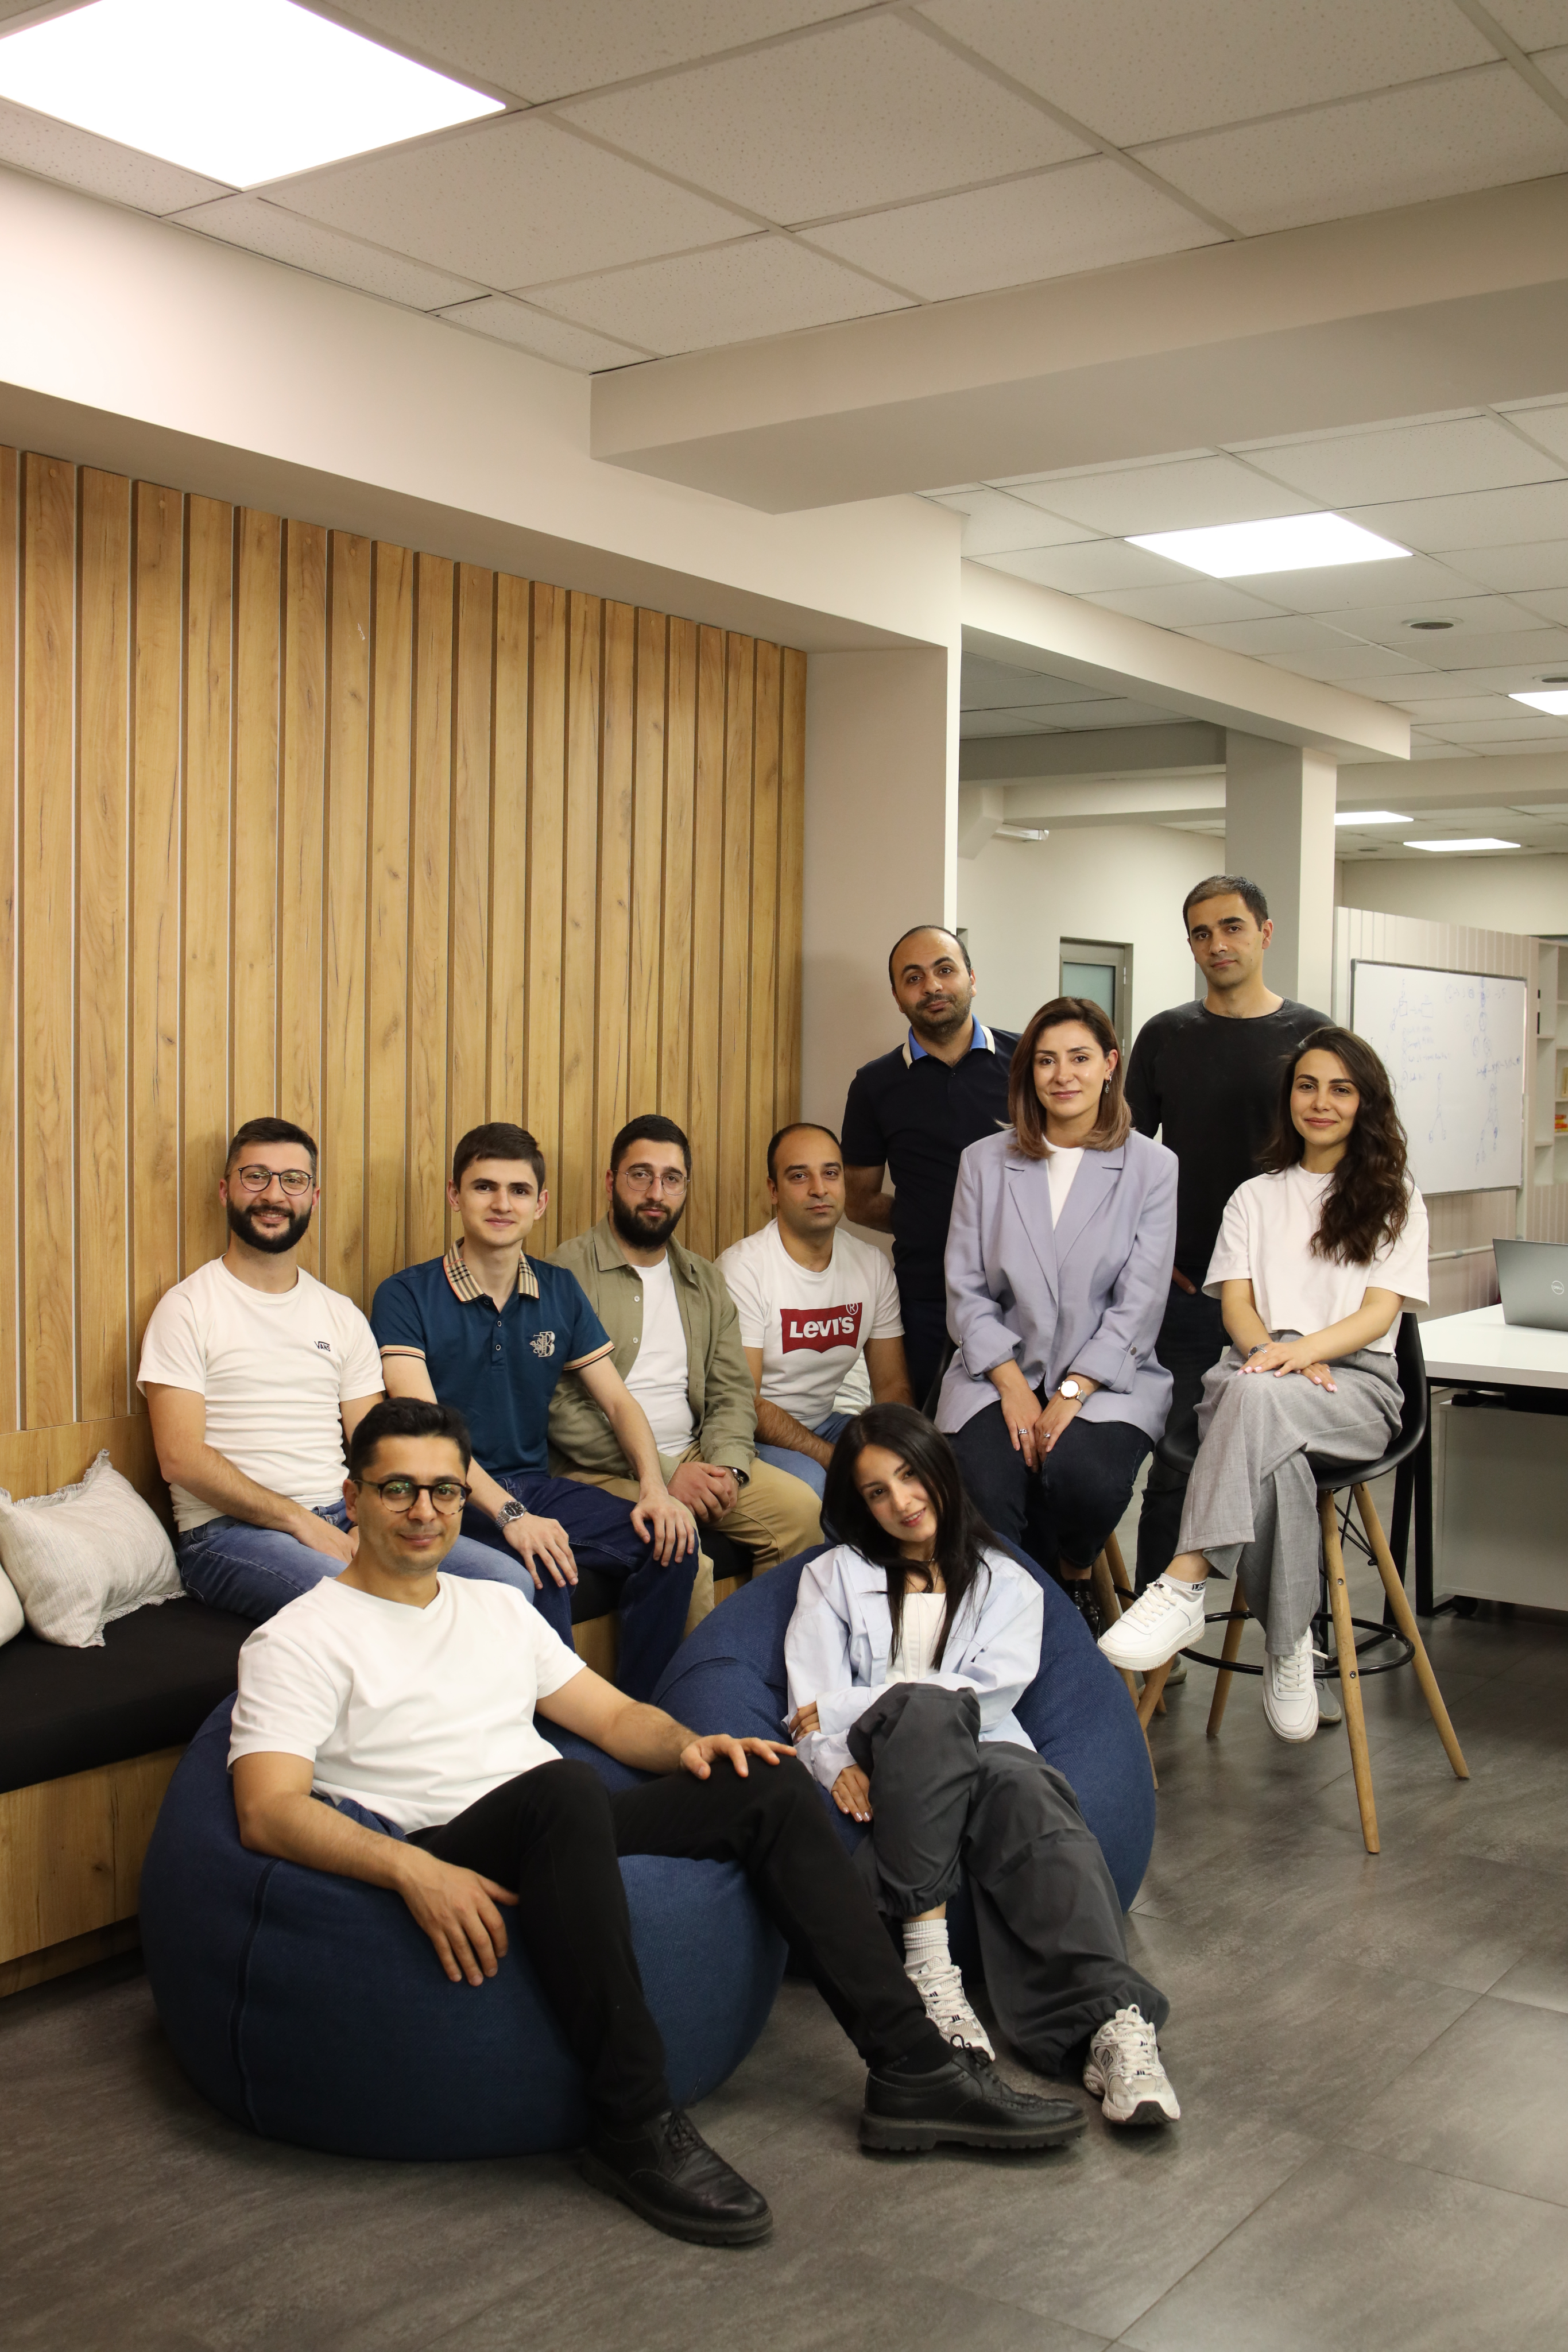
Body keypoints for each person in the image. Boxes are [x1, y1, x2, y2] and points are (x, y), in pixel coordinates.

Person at [229, 1397, 1087, 2253]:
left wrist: (693, 1747)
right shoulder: (300, 1637)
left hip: (559, 1829)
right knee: (563, 1788)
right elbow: (267, 1811)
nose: (426, 1513)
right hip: (447, 1845)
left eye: (446, 1492)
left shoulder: (489, 1606)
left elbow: (612, 1720)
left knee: (768, 1779)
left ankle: (913, 2067)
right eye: (399, 1491)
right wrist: (412, 1872)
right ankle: (632, 2122)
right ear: (352, 1497)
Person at [785, 1405, 1180, 2129]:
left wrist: (846, 1706)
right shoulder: (832, 1576)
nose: (901, 1501)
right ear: (858, 1503)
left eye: (909, 1476)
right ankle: (931, 1971)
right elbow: (805, 1704)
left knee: (1032, 1790)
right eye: (877, 1491)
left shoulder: (1008, 1580)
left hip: (987, 1752)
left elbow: (988, 1689)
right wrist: (831, 1755)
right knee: (931, 1712)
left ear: (938, 1470)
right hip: (883, 1761)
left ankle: (1114, 2025)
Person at [1101, 1028, 1429, 1743]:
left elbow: (1379, 1315)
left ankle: (1186, 1579)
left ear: (1364, 1103)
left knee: (1253, 1405)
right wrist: (1278, 1354)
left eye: (1340, 1088)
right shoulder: (1254, 1196)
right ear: (1289, 1099)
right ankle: (1289, 1651)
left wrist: (1302, 1352)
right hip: (1256, 1367)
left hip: (1355, 1389)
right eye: (1307, 1085)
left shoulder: (1394, 1198)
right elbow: (1237, 1307)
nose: (1321, 1101)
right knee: (1268, 1440)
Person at [370, 1124, 698, 1704]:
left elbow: (619, 1402)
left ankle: (638, 1712)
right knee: (542, 1567)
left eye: (519, 1190)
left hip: (534, 1484)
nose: (502, 1204)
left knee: (672, 1544)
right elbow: (425, 1434)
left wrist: (655, 1488)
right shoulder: (405, 1295)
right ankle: (559, 1739)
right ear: (454, 1195)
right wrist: (510, 1514)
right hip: (448, 1496)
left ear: (540, 1203)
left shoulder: (559, 1288)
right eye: (484, 1187)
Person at [140, 1116, 504, 1621]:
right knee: (368, 1608)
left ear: (313, 1196)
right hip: (227, 1534)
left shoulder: (338, 1313)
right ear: (226, 1191)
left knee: (507, 1583)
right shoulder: (186, 1309)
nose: (274, 1194)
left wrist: (368, 1516)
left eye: (293, 1180)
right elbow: (180, 1458)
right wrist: (298, 1521)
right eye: (256, 1176)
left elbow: (371, 1444)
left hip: (340, 1512)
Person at [936, 998, 1176, 1641]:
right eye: (1045, 1060)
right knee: (984, 1483)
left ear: (1109, 1065)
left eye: (1078, 1057)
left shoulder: (1152, 1168)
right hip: (996, 1369)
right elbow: (965, 1288)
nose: (1061, 1074)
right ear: (1027, 1071)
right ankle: (1015, 1626)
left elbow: (1140, 1303)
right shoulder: (984, 1161)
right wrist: (1012, 1385)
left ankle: (1069, 1580)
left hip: (1105, 1377)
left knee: (1083, 1479)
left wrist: (1072, 1393)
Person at [1125, 876, 1329, 1602]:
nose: (1218, 945)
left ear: (1265, 933)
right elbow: (1125, 1161)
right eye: (1202, 933)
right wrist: (1149, 1260)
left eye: (1232, 928)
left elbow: (1335, 1166)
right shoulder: (1164, 1035)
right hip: (1186, 1291)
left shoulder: (1312, 1037)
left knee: (1289, 1472)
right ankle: (1155, 1648)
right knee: (1176, 1461)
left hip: (1287, 1298)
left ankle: (1298, 1644)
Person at [548, 1116, 823, 1581]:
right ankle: (703, 1659)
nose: (656, 1192)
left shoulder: (705, 1280)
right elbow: (559, 1406)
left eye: (671, 1179)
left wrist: (727, 1469)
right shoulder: (564, 1274)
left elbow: (732, 1392)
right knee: (681, 1548)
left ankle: (755, 1653)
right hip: (598, 1469)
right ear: (611, 1181)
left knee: (801, 1511)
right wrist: (666, 1472)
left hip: (698, 1456)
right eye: (641, 1175)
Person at [842, 927, 1019, 1405]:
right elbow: (858, 1202)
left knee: (1027, 1431)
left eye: (945, 970)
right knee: (929, 1433)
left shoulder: (1027, 1063)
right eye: (913, 978)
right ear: (898, 997)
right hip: (926, 1295)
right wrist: (929, 1219)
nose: (933, 987)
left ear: (971, 978)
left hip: (1023, 1293)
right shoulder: (874, 1086)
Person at [718, 1121, 913, 1501]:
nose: (819, 1189)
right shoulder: (743, 1269)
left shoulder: (871, 1266)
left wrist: (899, 1449)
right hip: (749, 1434)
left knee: (919, 1469)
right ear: (773, 1191)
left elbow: (892, 1386)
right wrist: (833, 1458)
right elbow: (745, 1402)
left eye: (830, 1173)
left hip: (827, 1424)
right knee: (820, 1489)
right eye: (798, 1176)